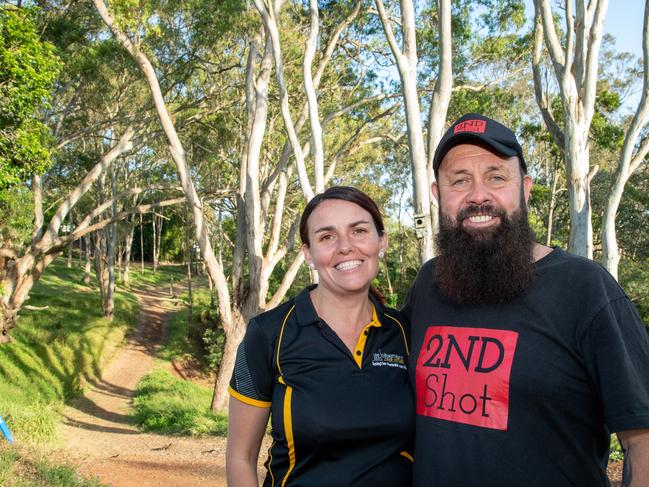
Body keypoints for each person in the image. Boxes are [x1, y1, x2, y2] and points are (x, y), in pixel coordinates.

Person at [404, 113, 649, 486]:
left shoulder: (584, 287)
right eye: (459, 181)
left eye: (496, 177)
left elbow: (642, 438)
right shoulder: (428, 284)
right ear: (438, 195)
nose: (478, 195)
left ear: (525, 188)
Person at [226, 186, 413, 486]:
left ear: (382, 241)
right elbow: (240, 459)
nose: (345, 247)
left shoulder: (403, 331)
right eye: (327, 236)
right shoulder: (268, 334)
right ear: (309, 254)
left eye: (359, 231)